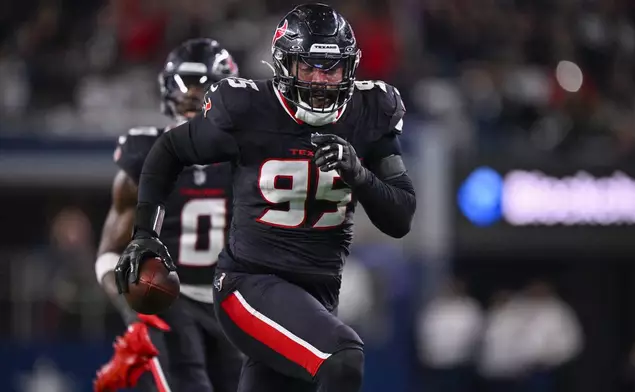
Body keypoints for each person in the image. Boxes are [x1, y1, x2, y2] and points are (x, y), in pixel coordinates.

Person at [115, 3, 416, 392]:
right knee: (342, 358)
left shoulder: (371, 110)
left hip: (317, 293)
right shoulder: (250, 108)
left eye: (331, 69)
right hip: (248, 283)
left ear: (350, 69)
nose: (320, 81)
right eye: (307, 67)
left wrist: (358, 174)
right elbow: (169, 150)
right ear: (284, 66)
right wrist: (145, 233)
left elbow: (401, 217)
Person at [93, 38, 242, 392]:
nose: (191, 95)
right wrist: (131, 301)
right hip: (172, 302)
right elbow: (109, 252)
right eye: (183, 84)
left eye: (203, 84)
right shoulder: (142, 154)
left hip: (237, 300)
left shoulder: (252, 155)